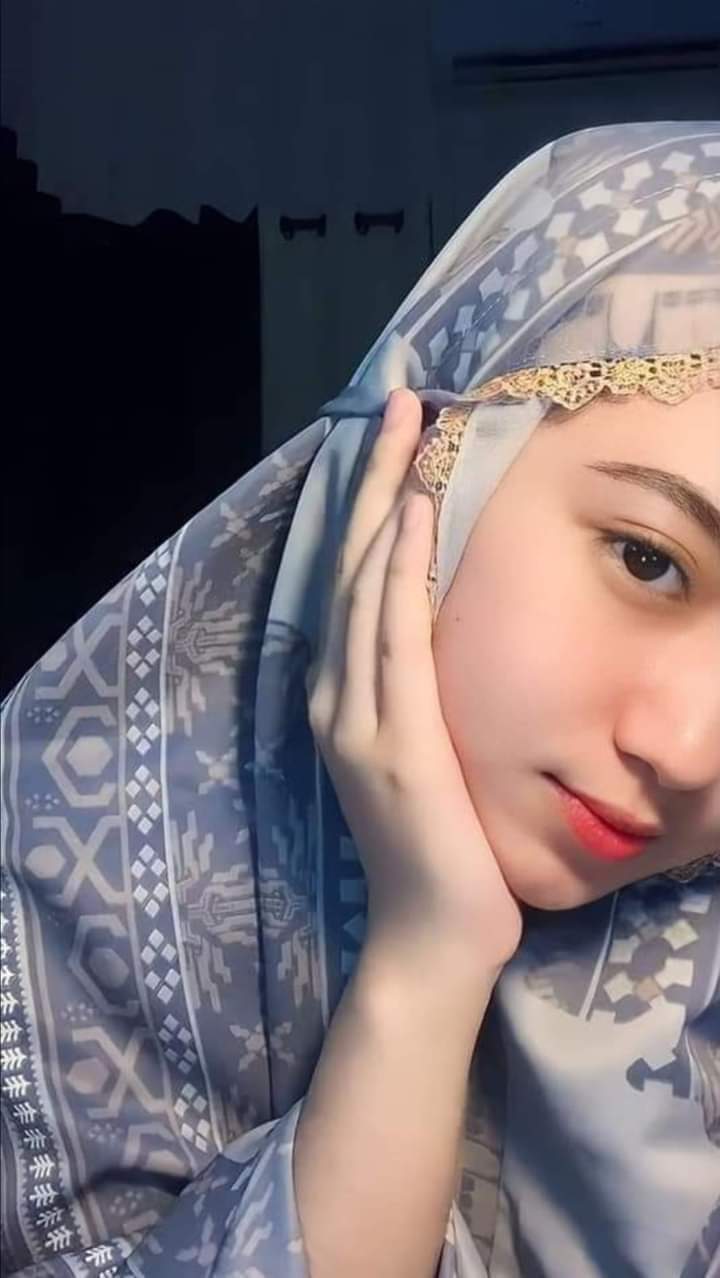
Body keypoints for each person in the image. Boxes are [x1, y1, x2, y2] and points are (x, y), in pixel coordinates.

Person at [1, 120, 718, 1277]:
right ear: (429, 465)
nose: (685, 748)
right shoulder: (58, 911)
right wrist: (429, 961)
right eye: (648, 560)